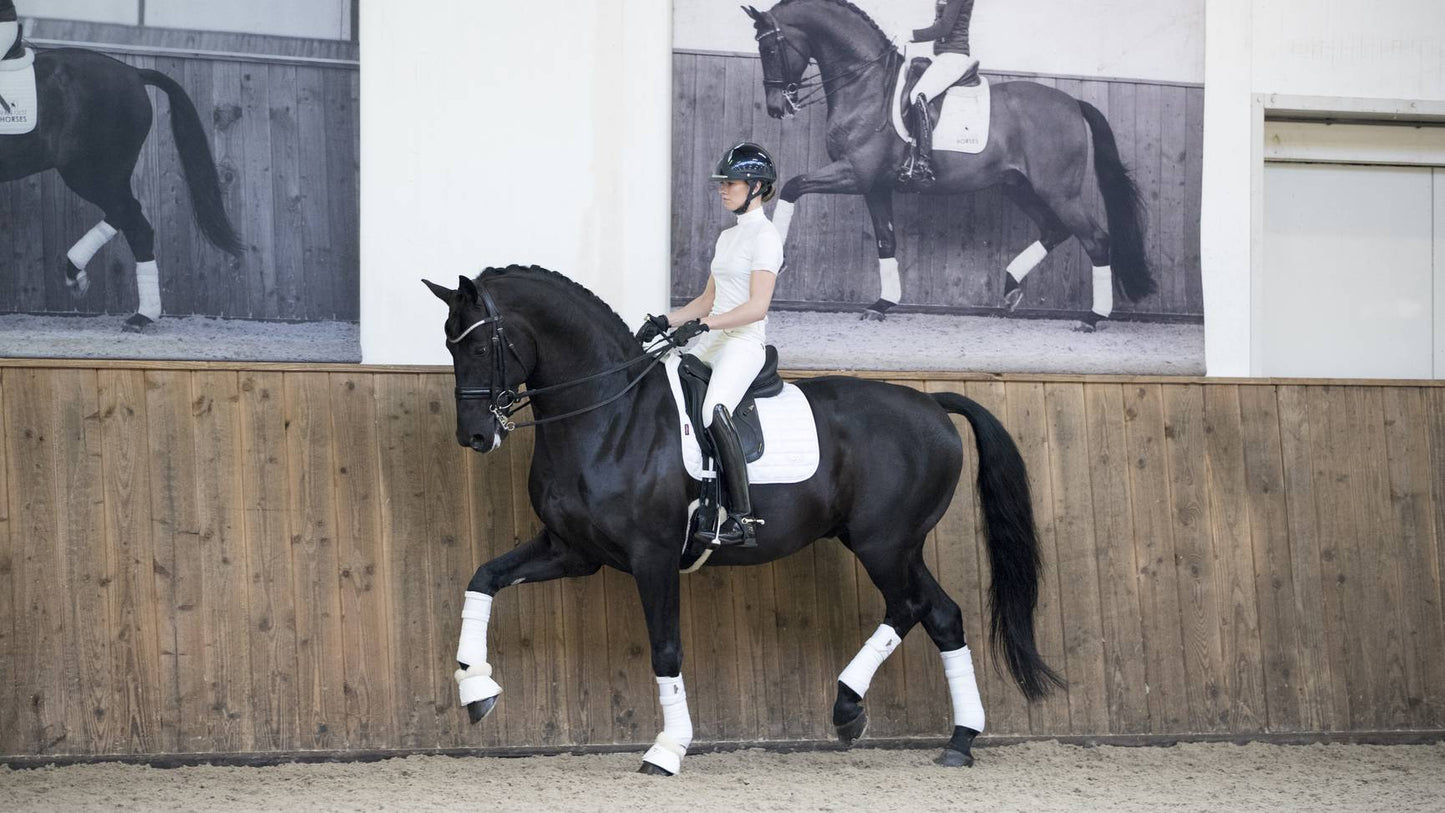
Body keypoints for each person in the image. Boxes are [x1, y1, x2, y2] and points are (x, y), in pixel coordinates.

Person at [635, 142, 783, 547]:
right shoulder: (727, 237)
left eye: (730, 183)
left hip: (743, 343)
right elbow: (707, 299)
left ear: (755, 187)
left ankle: (742, 517)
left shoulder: (766, 237)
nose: (723, 190)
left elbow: (757, 306)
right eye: (722, 183)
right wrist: (667, 320)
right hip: (714, 336)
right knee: (660, 381)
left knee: (713, 409)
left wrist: (704, 324)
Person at [898, 0, 978, 188]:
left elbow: (944, 27)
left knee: (918, 94)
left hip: (954, 57)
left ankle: (924, 162)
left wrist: (910, 34)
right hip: (943, 57)